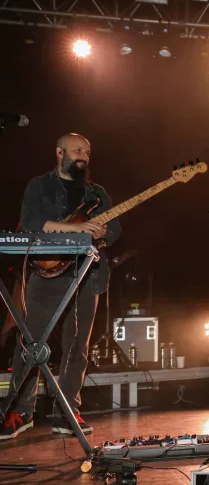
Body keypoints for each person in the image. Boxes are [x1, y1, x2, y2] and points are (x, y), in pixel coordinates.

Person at [0, 133, 121, 440]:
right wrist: (75, 228)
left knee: (77, 348)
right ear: (59, 152)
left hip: (87, 274)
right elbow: (31, 222)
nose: (84, 156)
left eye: (87, 152)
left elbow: (115, 229)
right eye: (77, 150)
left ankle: (67, 412)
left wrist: (103, 232)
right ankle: (20, 411)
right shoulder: (40, 185)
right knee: (31, 344)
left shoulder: (97, 193)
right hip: (45, 273)